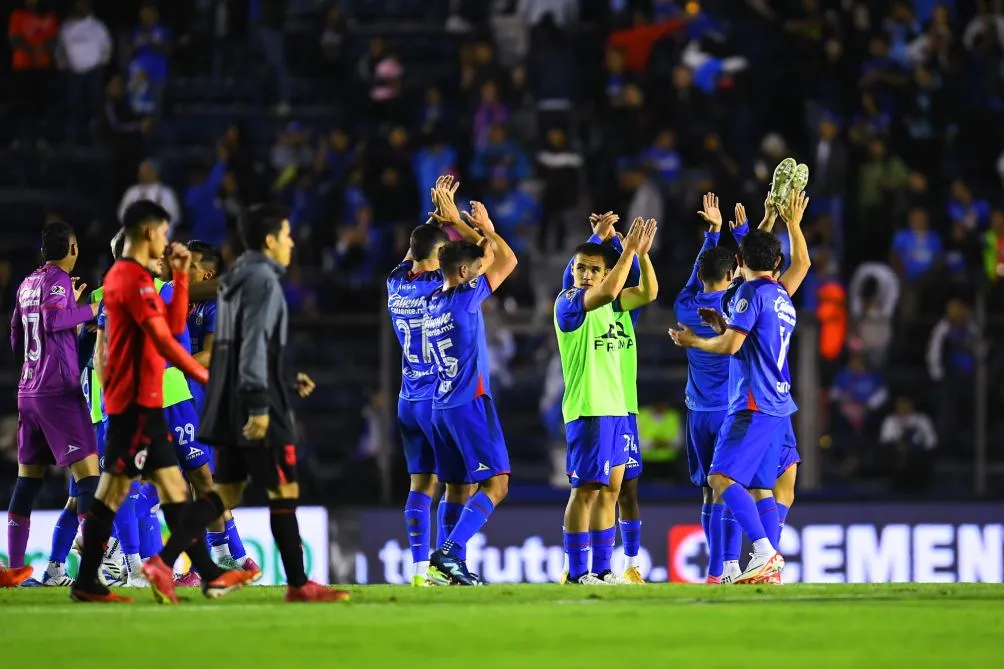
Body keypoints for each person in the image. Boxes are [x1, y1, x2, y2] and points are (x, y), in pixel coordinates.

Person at [71, 200, 253, 604]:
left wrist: (184, 281)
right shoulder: (129, 280)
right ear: (149, 232)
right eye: (164, 232)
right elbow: (165, 342)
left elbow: (172, 327)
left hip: (143, 402)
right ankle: (198, 573)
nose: (167, 241)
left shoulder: (135, 280)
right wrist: (206, 374)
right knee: (121, 491)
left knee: (166, 487)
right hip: (134, 404)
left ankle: (202, 573)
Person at [197, 204, 349, 603]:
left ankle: (163, 558)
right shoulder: (263, 280)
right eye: (286, 234)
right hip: (256, 399)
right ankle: (299, 584)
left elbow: (245, 346)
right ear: (269, 240)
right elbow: (251, 347)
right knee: (283, 490)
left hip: (232, 397)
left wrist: (283, 377)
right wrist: (261, 405)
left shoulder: (235, 277)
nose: (292, 241)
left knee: (226, 493)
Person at [670, 190, 810, 585]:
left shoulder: (748, 293)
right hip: (780, 400)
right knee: (769, 485)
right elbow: (804, 261)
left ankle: (763, 555)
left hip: (752, 399)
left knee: (721, 480)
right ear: (776, 263)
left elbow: (732, 345)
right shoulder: (781, 292)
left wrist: (694, 341)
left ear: (741, 263)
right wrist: (793, 224)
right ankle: (765, 566)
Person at [555, 218, 658, 585]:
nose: (585, 274)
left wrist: (641, 256)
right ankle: (576, 571)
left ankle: (601, 569)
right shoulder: (568, 303)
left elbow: (648, 293)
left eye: (593, 269)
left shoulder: (615, 306)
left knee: (610, 491)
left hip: (615, 408)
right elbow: (607, 288)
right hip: (587, 408)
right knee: (584, 491)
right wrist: (626, 249)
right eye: (580, 268)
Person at [422, 200, 519, 586]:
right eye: (478, 270)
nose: (484, 270)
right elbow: (506, 258)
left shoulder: (433, 301)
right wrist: (485, 227)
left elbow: (484, 257)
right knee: (497, 484)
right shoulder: (465, 298)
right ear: (464, 273)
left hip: (440, 406)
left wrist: (456, 227)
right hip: (468, 403)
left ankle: (443, 571)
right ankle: (449, 553)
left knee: (456, 487)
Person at [7, 220, 101, 585]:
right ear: (72, 248)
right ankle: (92, 569)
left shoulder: (27, 283)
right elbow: (53, 318)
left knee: (27, 480)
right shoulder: (58, 281)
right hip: (58, 393)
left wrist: (34, 363)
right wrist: (91, 311)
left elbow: (17, 335)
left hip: (27, 391)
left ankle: (14, 569)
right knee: (89, 478)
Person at [386, 181, 453, 587]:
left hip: (407, 398)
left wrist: (432, 226)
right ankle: (445, 566)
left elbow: (415, 252)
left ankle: (416, 570)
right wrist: (454, 220)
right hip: (436, 400)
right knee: (459, 483)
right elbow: (484, 260)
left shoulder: (396, 283)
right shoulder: (439, 288)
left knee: (421, 484)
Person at [673, 193, 738, 584]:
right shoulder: (736, 304)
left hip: (697, 413)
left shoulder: (685, 306)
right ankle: (727, 567)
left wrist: (712, 234)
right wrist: (736, 231)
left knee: (706, 493)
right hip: (731, 411)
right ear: (730, 276)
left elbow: (696, 276)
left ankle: (714, 573)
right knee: (728, 489)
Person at [186, 240, 258, 577]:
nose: (184, 268)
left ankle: (229, 559)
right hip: (189, 395)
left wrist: (167, 365)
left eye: (192, 264)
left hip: (209, 399)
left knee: (199, 479)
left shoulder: (214, 306)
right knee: (197, 480)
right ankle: (233, 557)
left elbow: (212, 356)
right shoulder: (184, 302)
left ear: (208, 272)